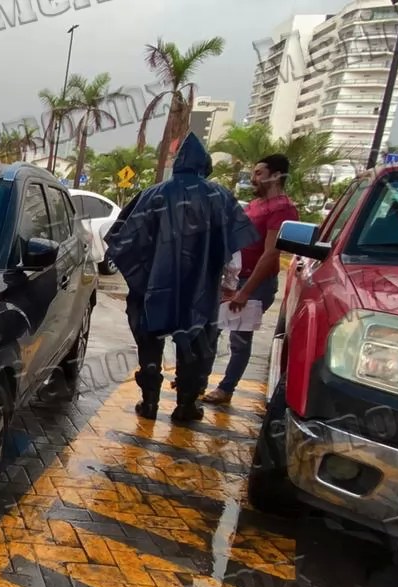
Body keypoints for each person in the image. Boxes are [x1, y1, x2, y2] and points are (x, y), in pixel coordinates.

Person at [104, 133, 258, 424]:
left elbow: (124, 238)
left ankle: (149, 402)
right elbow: (232, 250)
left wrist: (140, 277)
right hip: (199, 287)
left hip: (153, 286)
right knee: (197, 344)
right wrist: (229, 284)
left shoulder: (153, 194)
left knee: (149, 340)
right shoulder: (219, 196)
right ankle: (186, 406)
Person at [203, 153, 299, 406]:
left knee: (239, 339)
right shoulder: (255, 205)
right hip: (236, 279)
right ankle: (199, 379)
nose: (253, 179)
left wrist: (246, 292)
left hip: (254, 284)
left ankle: (226, 389)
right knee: (211, 330)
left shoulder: (283, 209)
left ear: (276, 176)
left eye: (259, 173)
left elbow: (271, 253)